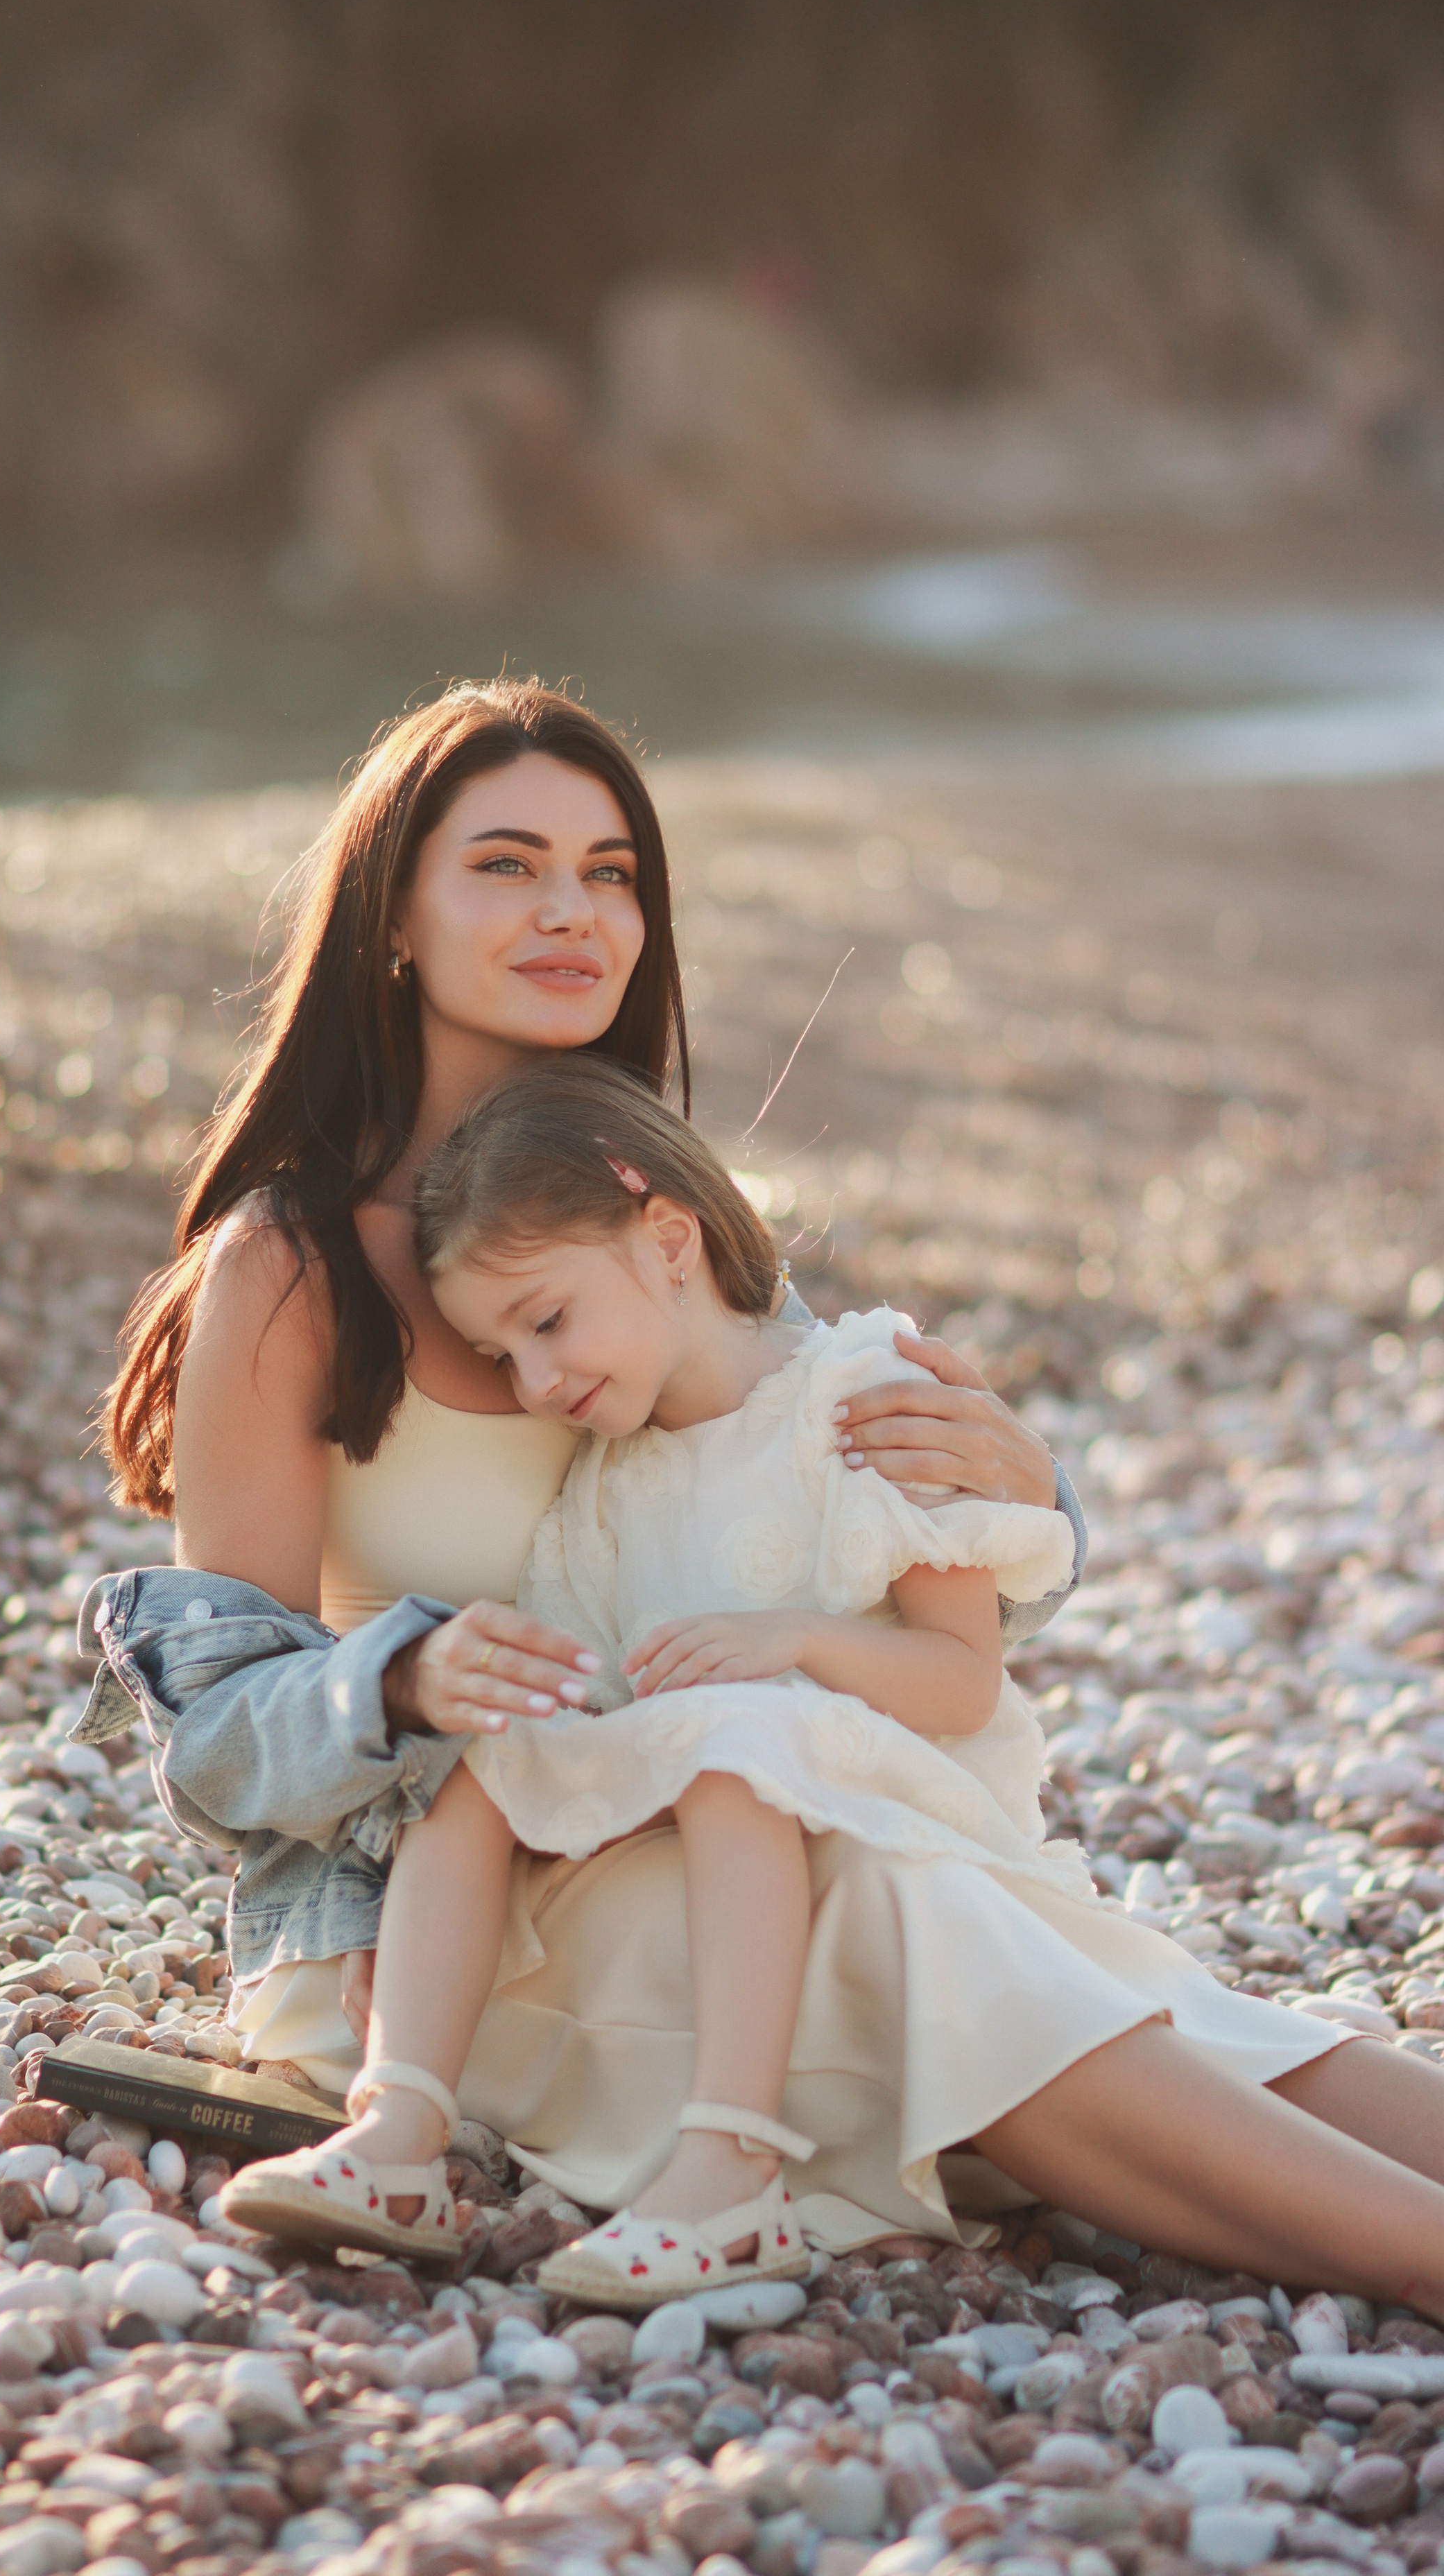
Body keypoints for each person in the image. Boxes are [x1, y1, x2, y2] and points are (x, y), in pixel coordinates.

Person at [80, 678, 1444, 2304]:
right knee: (900, 1913)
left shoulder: (634, 1218)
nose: (573, 912)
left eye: (611, 873)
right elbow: (220, 1736)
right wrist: (408, 1672)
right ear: (391, 916)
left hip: (698, 1827)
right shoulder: (292, 1267)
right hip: (442, 1923)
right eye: (506, 866)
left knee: (1093, 1964)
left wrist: (1036, 1494)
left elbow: (877, 1523)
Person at [220, 1062, 1081, 2303]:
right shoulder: (608, 1478)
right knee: (488, 1759)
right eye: (500, 1353)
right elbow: (594, 1697)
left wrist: (793, 1647)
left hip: (900, 1802)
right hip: (718, 1785)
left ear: (666, 1238)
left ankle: (729, 2168)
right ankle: (398, 2128)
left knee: (731, 1742)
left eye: (548, 1320)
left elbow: (961, 1683)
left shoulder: (862, 1394)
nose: (533, 1381)